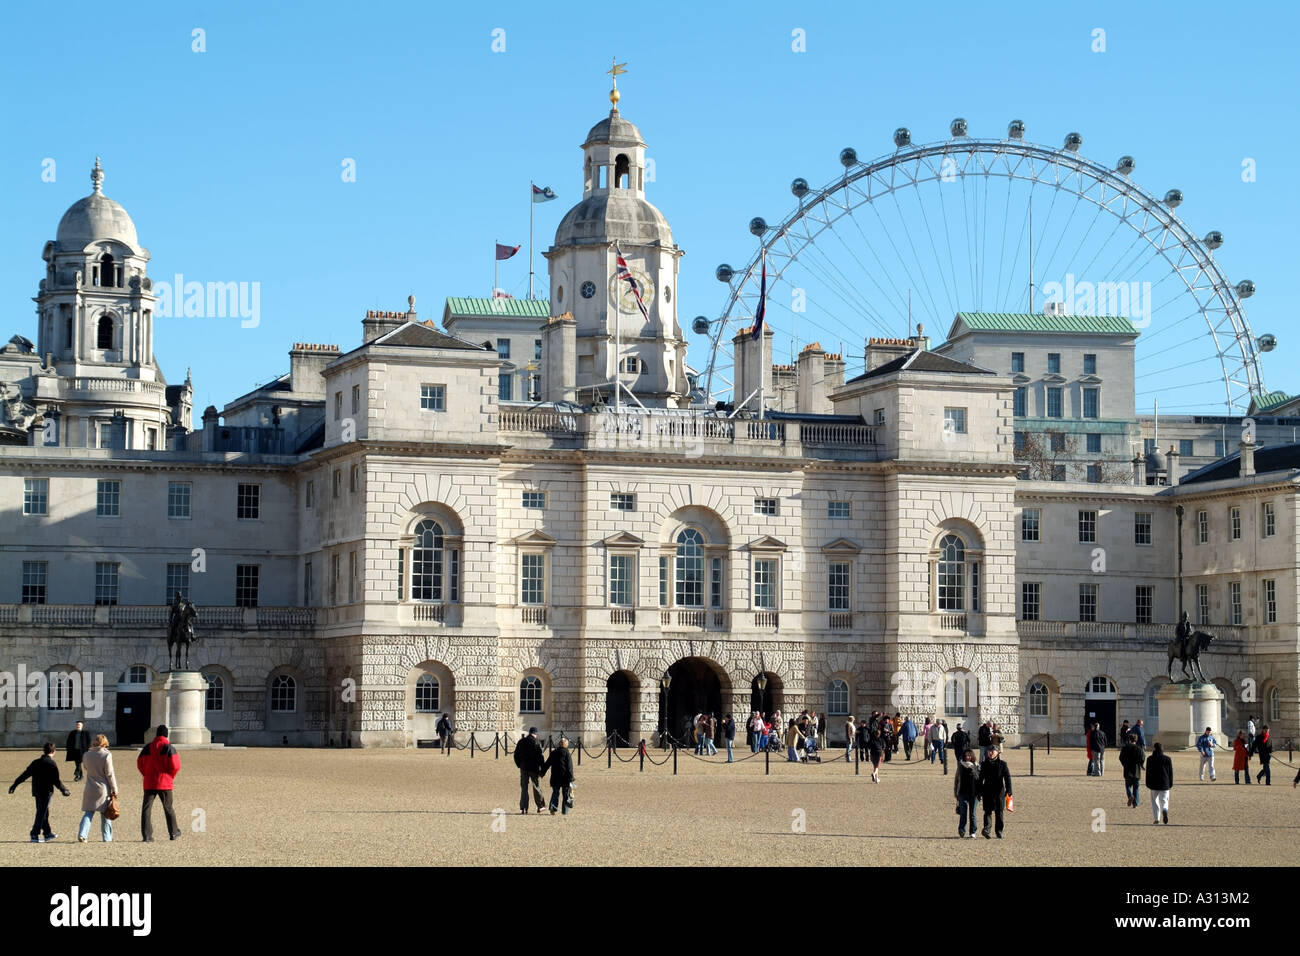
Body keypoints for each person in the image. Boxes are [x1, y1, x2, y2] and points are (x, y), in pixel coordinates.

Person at [8, 742, 71, 843]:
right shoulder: (51, 764)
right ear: (54, 751)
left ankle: (47, 833)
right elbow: (56, 780)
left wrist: (15, 784)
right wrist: (64, 789)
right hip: (46, 792)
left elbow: (25, 775)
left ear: (44, 750)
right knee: (41, 813)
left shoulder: (35, 762)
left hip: (36, 791)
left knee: (43, 812)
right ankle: (34, 834)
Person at [138, 724, 181, 842]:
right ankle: (173, 832)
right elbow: (176, 766)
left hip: (149, 782)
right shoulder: (168, 747)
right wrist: (170, 776)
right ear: (166, 735)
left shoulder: (147, 747)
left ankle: (147, 836)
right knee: (168, 808)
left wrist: (146, 774)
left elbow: (140, 763)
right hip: (164, 782)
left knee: (146, 809)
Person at [78, 734, 117, 842]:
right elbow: (109, 773)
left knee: (88, 812)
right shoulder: (106, 755)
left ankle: (82, 834)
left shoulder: (86, 754)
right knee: (106, 814)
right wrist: (114, 788)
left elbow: (86, 767)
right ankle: (107, 837)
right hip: (103, 788)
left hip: (90, 786)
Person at [977, 746, 1012, 838]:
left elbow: (1007, 778)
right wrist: (979, 791)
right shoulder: (984, 764)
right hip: (987, 791)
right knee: (987, 811)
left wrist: (1009, 790)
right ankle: (987, 830)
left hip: (999, 791)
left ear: (998, 753)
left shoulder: (1003, 764)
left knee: (999, 812)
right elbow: (980, 779)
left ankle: (999, 831)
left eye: (993, 751)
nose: (991, 753)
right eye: (989, 751)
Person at [513, 727, 546, 814]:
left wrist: (519, 765)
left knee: (524, 788)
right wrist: (542, 770)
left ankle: (523, 807)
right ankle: (540, 806)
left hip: (523, 767)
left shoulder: (521, 741)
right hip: (534, 768)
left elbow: (516, 755)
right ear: (535, 734)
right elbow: (540, 757)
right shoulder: (537, 742)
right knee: (536, 787)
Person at [542, 737, 575, 815]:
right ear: (566, 745)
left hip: (555, 776)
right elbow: (570, 767)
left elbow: (547, 764)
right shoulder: (567, 753)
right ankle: (565, 811)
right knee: (565, 794)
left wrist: (542, 773)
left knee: (555, 793)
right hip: (565, 777)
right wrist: (571, 778)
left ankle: (553, 807)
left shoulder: (553, 753)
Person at [954, 748, 980, 838]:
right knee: (963, 813)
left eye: (969, 756)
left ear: (972, 756)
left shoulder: (976, 766)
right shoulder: (960, 766)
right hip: (962, 792)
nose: (968, 758)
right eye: (966, 756)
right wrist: (955, 793)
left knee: (972, 814)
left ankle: (972, 831)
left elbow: (979, 780)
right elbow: (957, 779)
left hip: (974, 793)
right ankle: (961, 830)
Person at [1146, 741, 1173, 824]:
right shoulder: (1167, 759)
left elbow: (1148, 772)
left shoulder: (1150, 759)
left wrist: (1148, 783)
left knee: (1154, 801)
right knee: (1164, 801)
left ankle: (1156, 818)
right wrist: (1170, 783)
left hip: (1154, 783)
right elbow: (1170, 773)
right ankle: (1164, 809)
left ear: (1154, 749)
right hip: (1165, 783)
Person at [1118, 733, 1145, 808]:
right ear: (1136, 740)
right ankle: (1135, 803)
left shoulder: (1125, 748)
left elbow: (1121, 757)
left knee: (1128, 786)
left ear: (1129, 739)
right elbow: (1142, 758)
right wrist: (1141, 764)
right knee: (1136, 788)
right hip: (1136, 770)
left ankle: (1130, 796)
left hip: (1127, 769)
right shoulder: (1139, 748)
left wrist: (1124, 764)